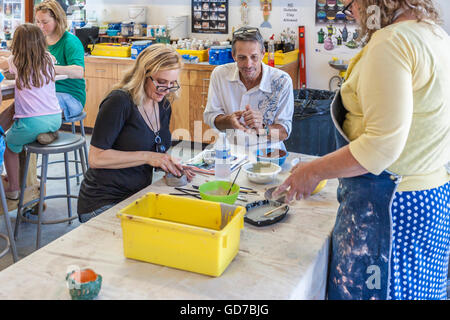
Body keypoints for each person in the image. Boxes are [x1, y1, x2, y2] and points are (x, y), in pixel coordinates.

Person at [273, 0, 450, 300]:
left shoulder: (392, 42)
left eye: (351, 3)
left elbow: (380, 148)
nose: (351, 12)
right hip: (429, 198)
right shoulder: (434, 33)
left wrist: (312, 171)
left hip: (389, 207)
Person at [77, 44, 194, 223]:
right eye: (161, 82)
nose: (166, 89)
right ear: (143, 75)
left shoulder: (163, 104)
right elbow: (96, 158)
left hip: (136, 197)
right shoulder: (119, 101)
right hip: (102, 202)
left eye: (172, 84)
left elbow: (154, 150)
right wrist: (148, 157)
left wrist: (172, 166)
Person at [203, 26, 294, 152]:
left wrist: (262, 128)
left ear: (263, 54)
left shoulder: (282, 81)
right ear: (233, 56)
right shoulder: (220, 74)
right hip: (230, 150)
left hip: (267, 152)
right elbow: (211, 117)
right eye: (242, 57)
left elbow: (284, 132)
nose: (248, 64)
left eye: (254, 57)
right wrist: (229, 121)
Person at [0, 24, 62, 200]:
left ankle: (13, 187)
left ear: (17, 44)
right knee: (18, 123)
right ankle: (49, 133)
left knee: (9, 147)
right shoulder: (49, 59)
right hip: (55, 117)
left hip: (31, 122)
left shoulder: (16, 61)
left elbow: (5, 67)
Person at [35, 0, 85, 128]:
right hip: (48, 93)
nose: (40, 26)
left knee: (37, 112)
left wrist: (50, 67)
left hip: (71, 97)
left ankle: (45, 135)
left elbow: (79, 72)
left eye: (45, 22)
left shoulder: (70, 41)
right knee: (20, 106)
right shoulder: (40, 42)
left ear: (57, 20)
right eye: (38, 22)